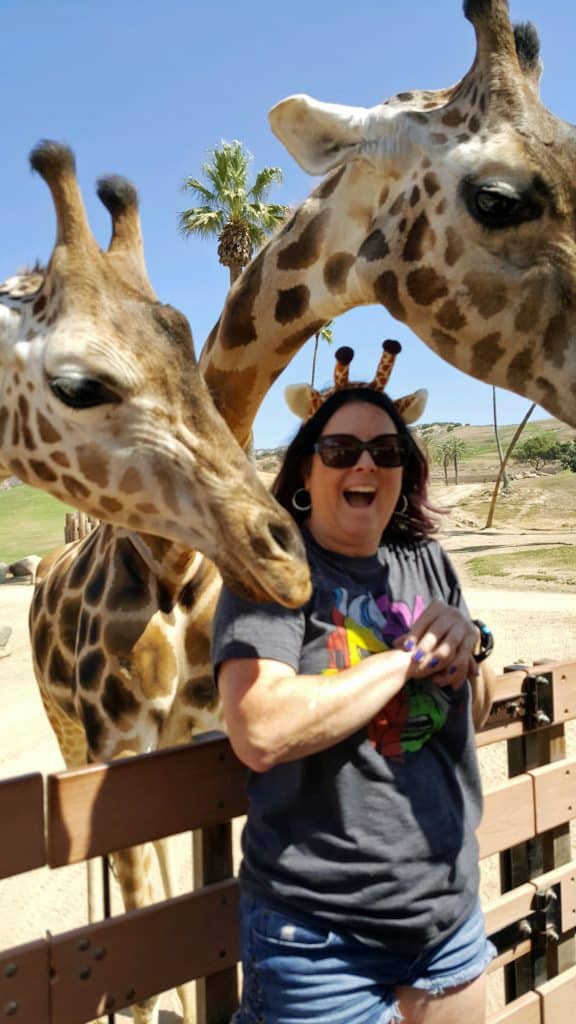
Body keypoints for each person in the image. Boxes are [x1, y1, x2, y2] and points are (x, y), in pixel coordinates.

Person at [212, 341, 497, 1024]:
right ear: (308, 470)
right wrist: (402, 660)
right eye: (341, 450)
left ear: (404, 472)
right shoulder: (274, 574)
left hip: (449, 920)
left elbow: (475, 714)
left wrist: (470, 647)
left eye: (386, 451)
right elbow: (259, 729)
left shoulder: (426, 561)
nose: (366, 462)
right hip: (319, 943)